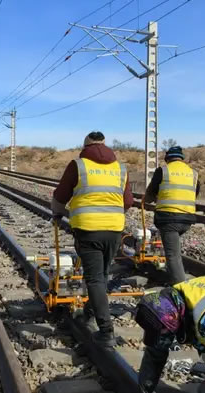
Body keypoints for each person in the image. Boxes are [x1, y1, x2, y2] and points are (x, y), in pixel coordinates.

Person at [51, 131, 133, 347]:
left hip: (88, 230)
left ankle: (106, 331)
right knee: (102, 275)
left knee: (95, 279)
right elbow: (128, 202)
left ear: (85, 146)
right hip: (114, 230)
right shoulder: (120, 168)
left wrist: (59, 213)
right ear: (105, 145)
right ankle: (88, 313)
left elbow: (59, 197)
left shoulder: (78, 166)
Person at [141, 145, 200, 284]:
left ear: (167, 158)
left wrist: (148, 200)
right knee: (173, 250)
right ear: (182, 158)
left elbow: (151, 193)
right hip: (187, 219)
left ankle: (180, 287)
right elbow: (194, 193)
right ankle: (172, 273)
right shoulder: (193, 173)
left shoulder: (163, 171)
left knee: (173, 255)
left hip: (169, 219)